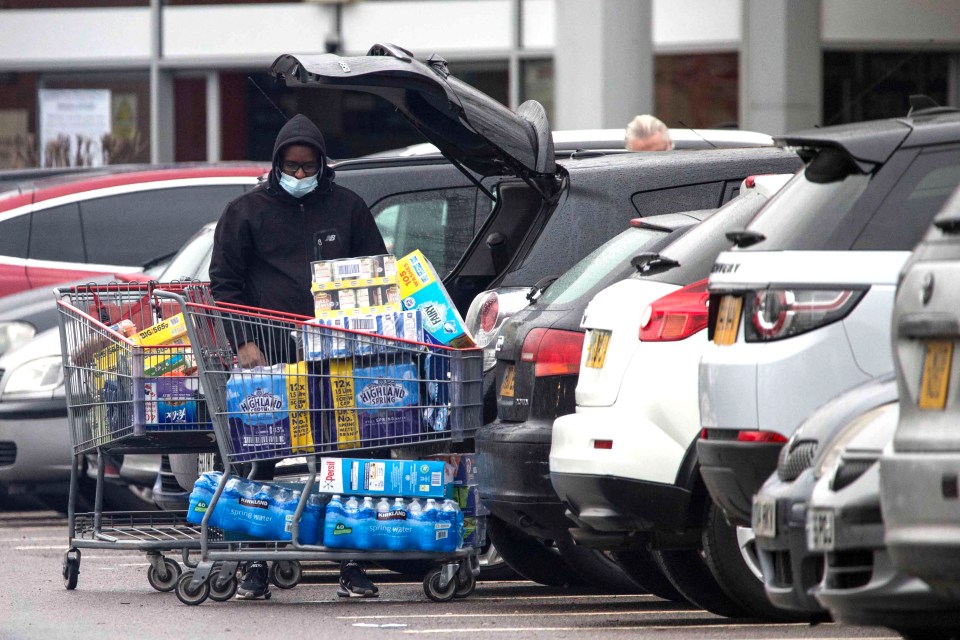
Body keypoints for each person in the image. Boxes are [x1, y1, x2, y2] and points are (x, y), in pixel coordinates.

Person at [209, 113, 387, 601]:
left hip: (337, 355)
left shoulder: (348, 208)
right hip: (270, 354)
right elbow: (225, 283)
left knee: (345, 455)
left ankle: (351, 563)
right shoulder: (246, 212)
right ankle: (255, 565)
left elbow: (376, 273)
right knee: (262, 459)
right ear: (277, 164)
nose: (302, 176)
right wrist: (244, 341)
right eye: (293, 167)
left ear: (323, 164)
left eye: (310, 167)